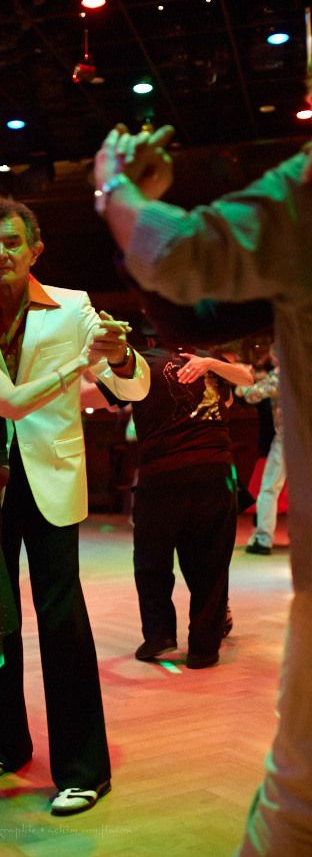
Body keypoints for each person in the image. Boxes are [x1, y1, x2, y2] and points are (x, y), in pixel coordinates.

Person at [94, 124, 312, 856]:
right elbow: (190, 316)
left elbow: (179, 260)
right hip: (186, 476)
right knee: (191, 565)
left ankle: (183, 640)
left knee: (295, 812)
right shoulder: (154, 363)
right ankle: (184, 642)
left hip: (184, 477)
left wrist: (115, 188)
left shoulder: (306, 190)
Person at [0, 199, 151, 815]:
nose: (0, 254)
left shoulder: (71, 305)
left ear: (35, 249)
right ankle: (2, 744)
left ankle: (83, 769)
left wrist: (120, 355)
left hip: (49, 480)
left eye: (12, 242)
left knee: (62, 619)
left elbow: (132, 384)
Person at [104, 327, 253, 668]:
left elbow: (102, 399)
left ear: (150, 338)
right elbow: (239, 387)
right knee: (211, 565)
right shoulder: (207, 358)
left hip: (163, 476)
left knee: (151, 561)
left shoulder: (139, 361)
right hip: (214, 473)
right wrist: (210, 366)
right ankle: (204, 649)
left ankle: (159, 635)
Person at [235, 347, 286, 556]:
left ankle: (263, 539)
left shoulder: (281, 374)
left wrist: (239, 377)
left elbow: (251, 395)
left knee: (269, 489)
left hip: (287, 438)